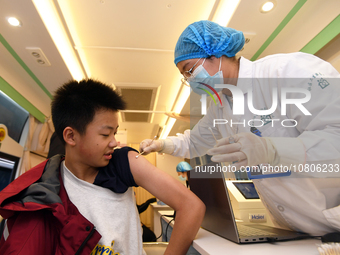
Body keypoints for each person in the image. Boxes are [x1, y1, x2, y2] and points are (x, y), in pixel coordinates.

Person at [140, 20, 340, 236]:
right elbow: (194, 142)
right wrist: (160, 144)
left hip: (332, 219)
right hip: (291, 228)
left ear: (214, 54)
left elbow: (336, 135)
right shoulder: (221, 106)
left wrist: (272, 149)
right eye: (185, 76)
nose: (190, 80)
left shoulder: (286, 71)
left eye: (190, 70)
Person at [0, 79, 205, 254]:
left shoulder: (123, 163)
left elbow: (191, 206)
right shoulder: (48, 188)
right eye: (106, 134)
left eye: (115, 133)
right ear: (71, 136)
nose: (114, 142)